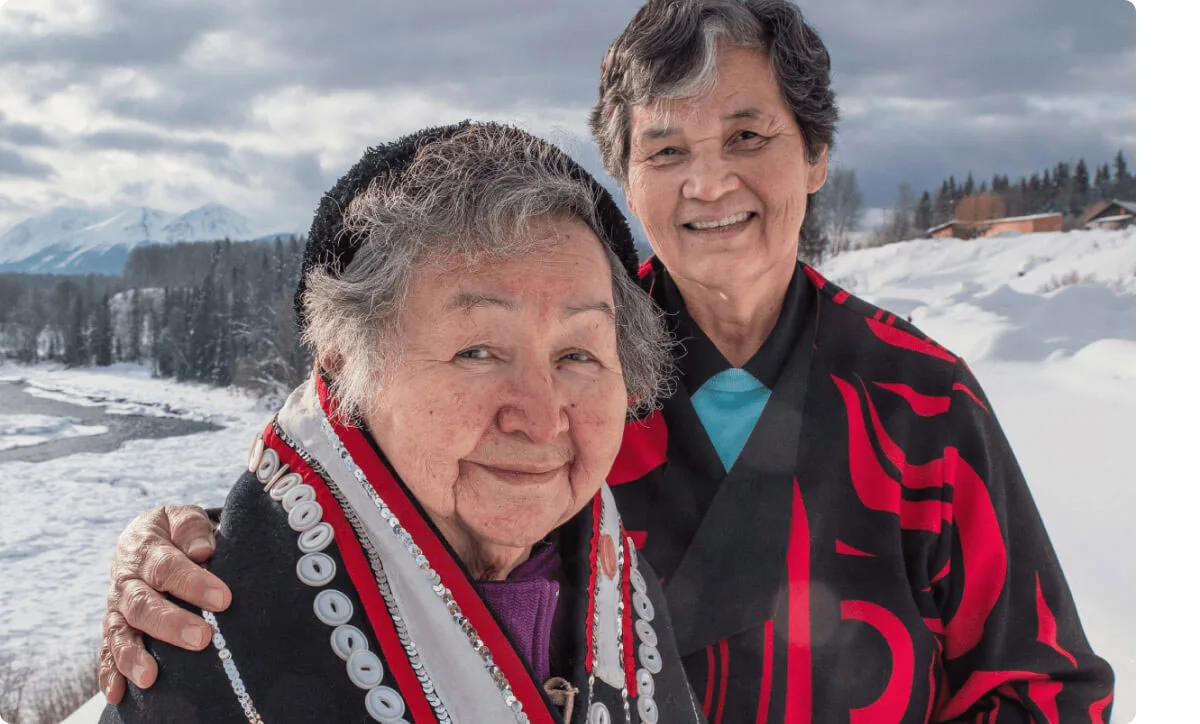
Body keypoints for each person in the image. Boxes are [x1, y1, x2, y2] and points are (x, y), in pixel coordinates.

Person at [99, 1, 1117, 721]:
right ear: (627, 176)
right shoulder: (573, 362)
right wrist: (194, 551)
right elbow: (363, 499)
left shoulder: (920, 403)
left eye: (749, 133)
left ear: (815, 157)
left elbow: (1042, 687)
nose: (708, 180)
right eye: (665, 149)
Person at [99, 120, 702, 724]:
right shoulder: (201, 656)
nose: (542, 421)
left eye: (578, 354)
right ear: (345, 365)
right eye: (477, 352)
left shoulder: (625, 587)